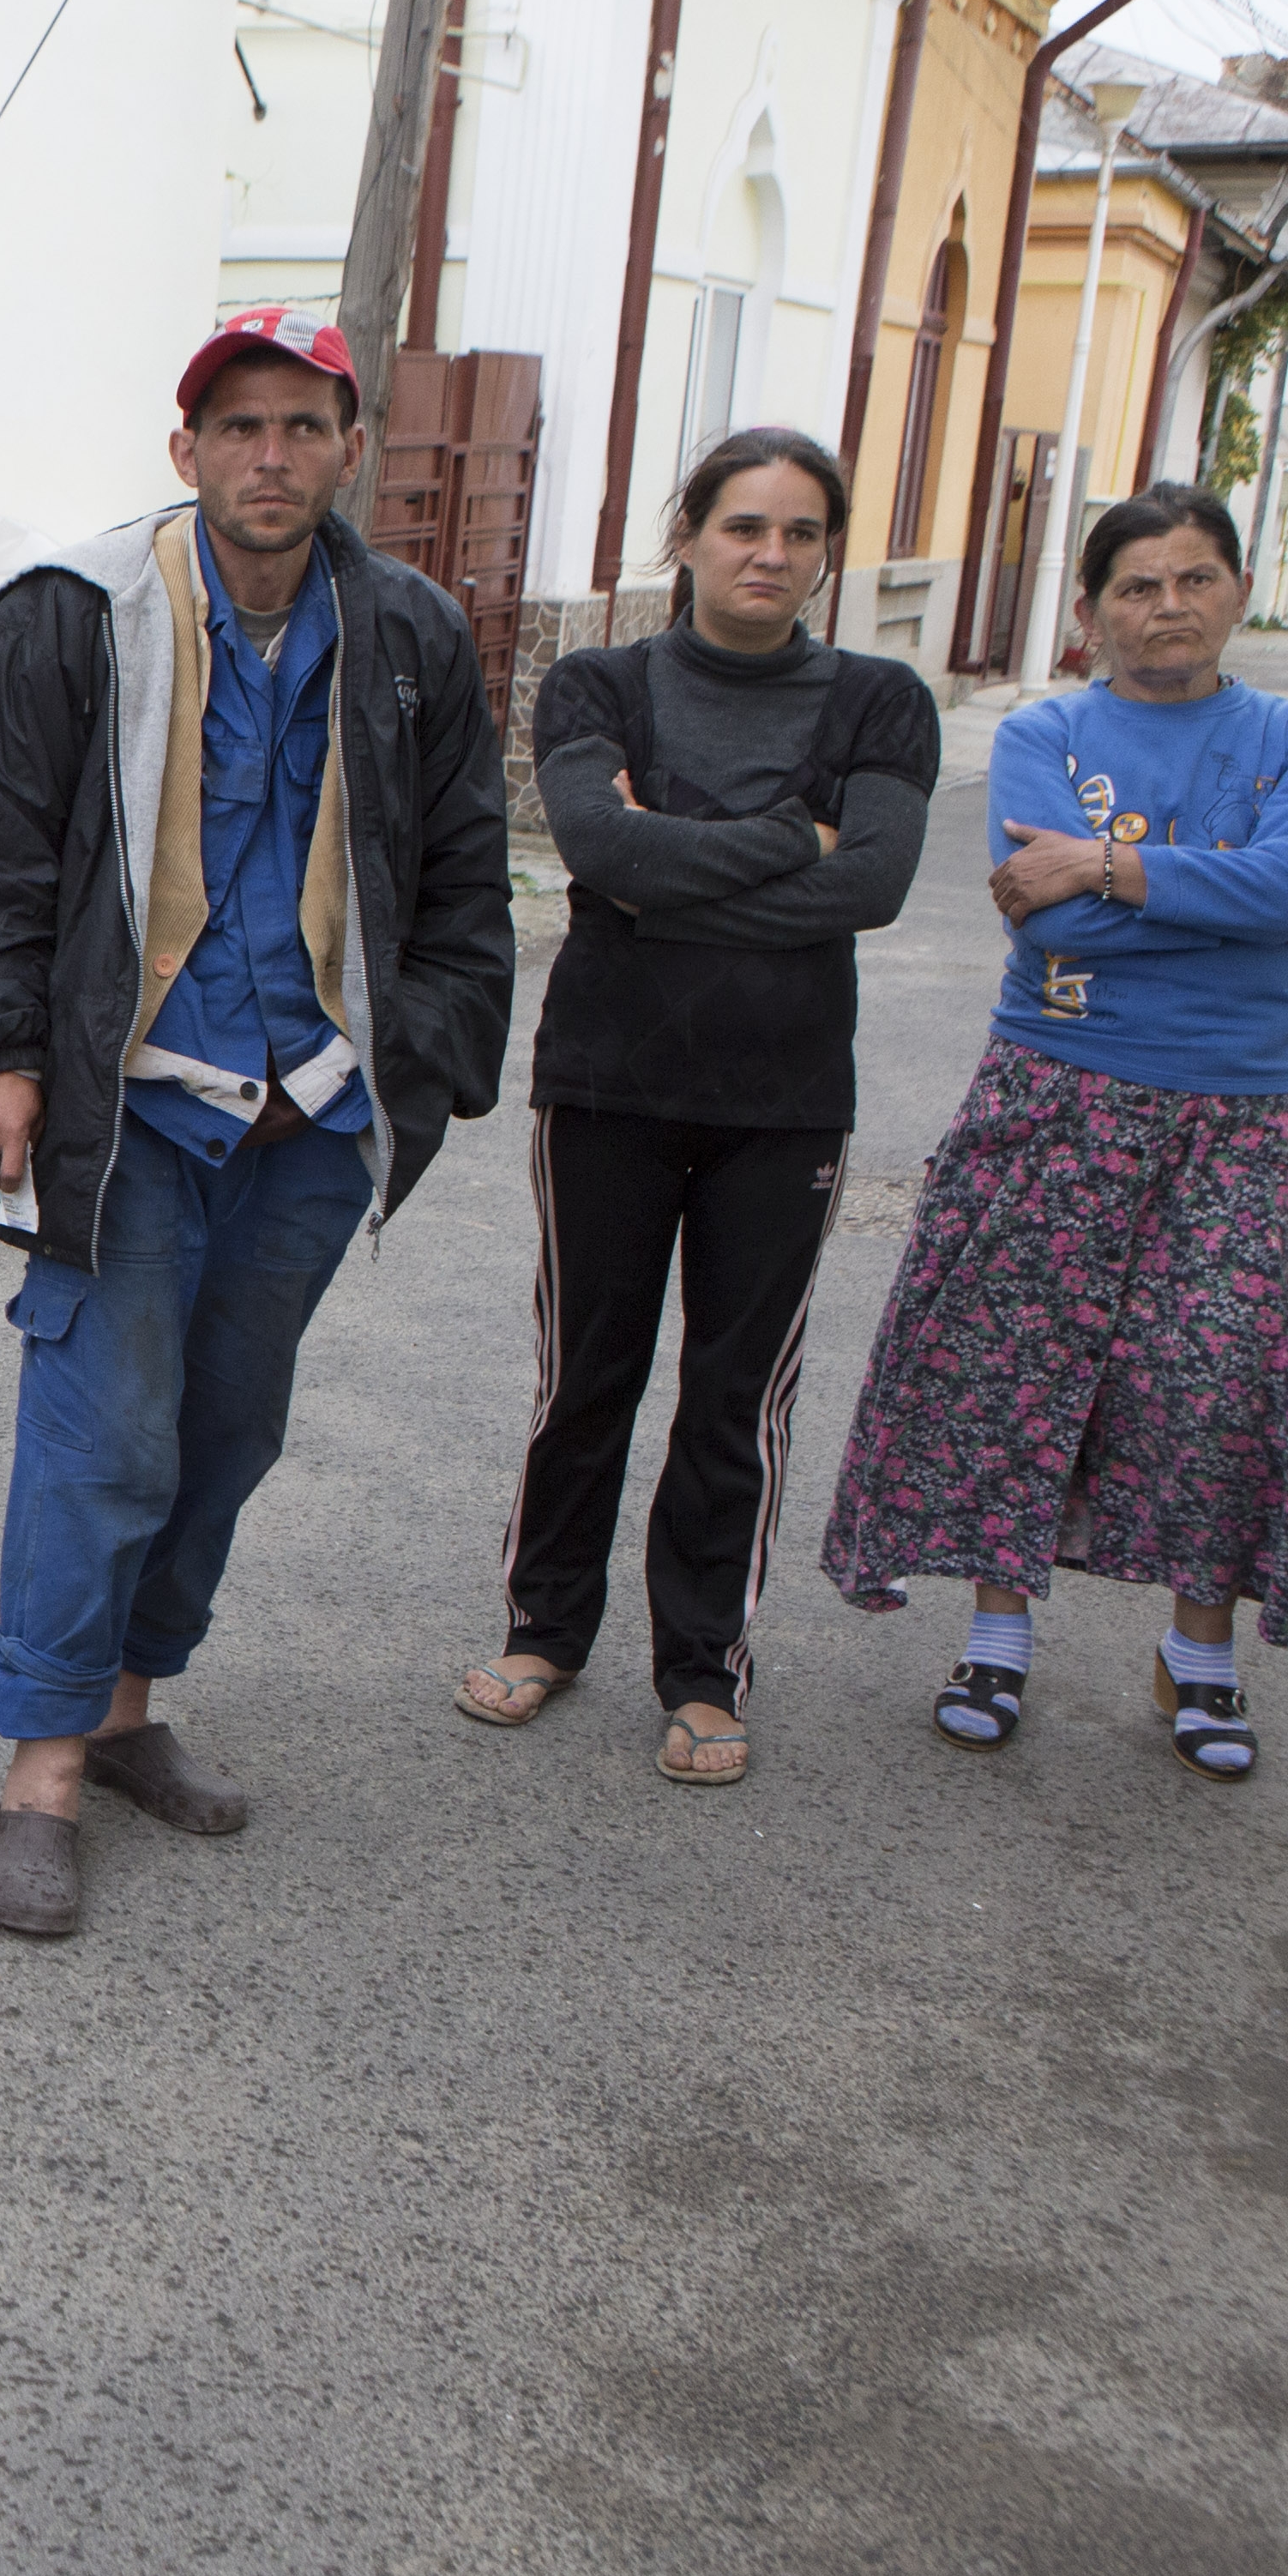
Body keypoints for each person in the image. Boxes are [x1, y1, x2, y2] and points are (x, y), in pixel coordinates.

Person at [0, 307, 517, 1939]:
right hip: (137, 1105)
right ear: (186, 451)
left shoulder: (409, 636)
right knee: (103, 1437)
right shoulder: (71, 619)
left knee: (226, 1433)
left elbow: (463, 873)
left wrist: (427, 1061)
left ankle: (124, 1712)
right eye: (238, 427)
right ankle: (37, 1770)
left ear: (347, 447)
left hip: (311, 1114)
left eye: (302, 427)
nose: (270, 456)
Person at [816, 481, 1288, 1777]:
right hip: (1056, 1091)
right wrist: (1203, 900)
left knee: (1211, 1379)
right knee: (1018, 1365)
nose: (1169, 606)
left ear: (1236, 589)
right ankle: (997, 1635)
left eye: (1194, 579)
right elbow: (1044, 920)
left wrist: (1107, 866)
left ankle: (1200, 1652)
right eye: (1137, 586)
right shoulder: (1049, 732)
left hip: (1238, 1114)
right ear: (1091, 612)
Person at [454, 431, 938, 1782]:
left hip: (783, 1104)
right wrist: (798, 835)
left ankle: (704, 1667)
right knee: (585, 1376)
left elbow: (878, 885)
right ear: (688, 537)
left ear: (828, 549)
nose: (769, 555)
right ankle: (546, 1627)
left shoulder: (881, 704)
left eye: (798, 532)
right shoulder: (601, 684)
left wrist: (670, 867)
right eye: (742, 527)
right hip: (607, 1085)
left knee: (740, 1395)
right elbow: (595, 851)